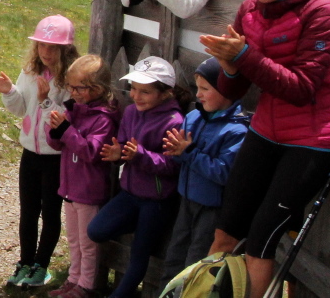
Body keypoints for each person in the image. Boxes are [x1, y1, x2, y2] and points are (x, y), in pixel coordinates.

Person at [200, 0, 330, 298]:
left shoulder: (321, 12)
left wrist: (243, 56)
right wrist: (230, 67)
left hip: (314, 137)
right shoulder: (249, 10)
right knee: (225, 231)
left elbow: (302, 89)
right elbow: (234, 90)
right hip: (266, 128)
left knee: (261, 240)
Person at [0, 15, 80, 288]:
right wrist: (10, 91)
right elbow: (20, 109)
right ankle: (25, 262)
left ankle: (42, 266)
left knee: (50, 213)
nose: (45, 52)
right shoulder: (30, 72)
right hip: (30, 152)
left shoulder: (70, 80)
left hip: (56, 157)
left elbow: (65, 119)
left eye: (52, 47)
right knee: (28, 212)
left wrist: (45, 100)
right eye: (41, 45)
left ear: (65, 50)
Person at [87, 56, 186, 298]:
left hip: (156, 200)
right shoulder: (131, 112)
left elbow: (173, 166)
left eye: (145, 92)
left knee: (139, 254)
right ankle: (143, 226)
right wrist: (119, 153)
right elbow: (124, 146)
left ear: (165, 93)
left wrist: (139, 155)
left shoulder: (174, 122)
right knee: (96, 230)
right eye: (133, 88)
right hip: (131, 193)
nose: (136, 96)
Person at [158, 56, 248, 292]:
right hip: (186, 201)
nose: (198, 95)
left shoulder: (237, 131)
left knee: (196, 263)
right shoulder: (193, 117)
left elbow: (224, 172)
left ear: (226, 90)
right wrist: (175, 151)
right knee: (174, 256)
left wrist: (188, 153)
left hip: (211, 209)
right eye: (198, 88)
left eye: (205, 89)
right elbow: (181, 156)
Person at [46, 55, 119, 298]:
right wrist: (55, 130)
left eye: (79, 88)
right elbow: (58, 145)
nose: (73, 93)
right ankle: (73, 279)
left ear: (97, 88)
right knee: (74, 241)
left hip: (89, 191)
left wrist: (66, 130)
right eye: (71, 87)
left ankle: (86, 285)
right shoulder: (75, 111)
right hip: (70, 188)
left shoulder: (103, 119)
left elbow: (91, 151)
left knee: (88, 244)